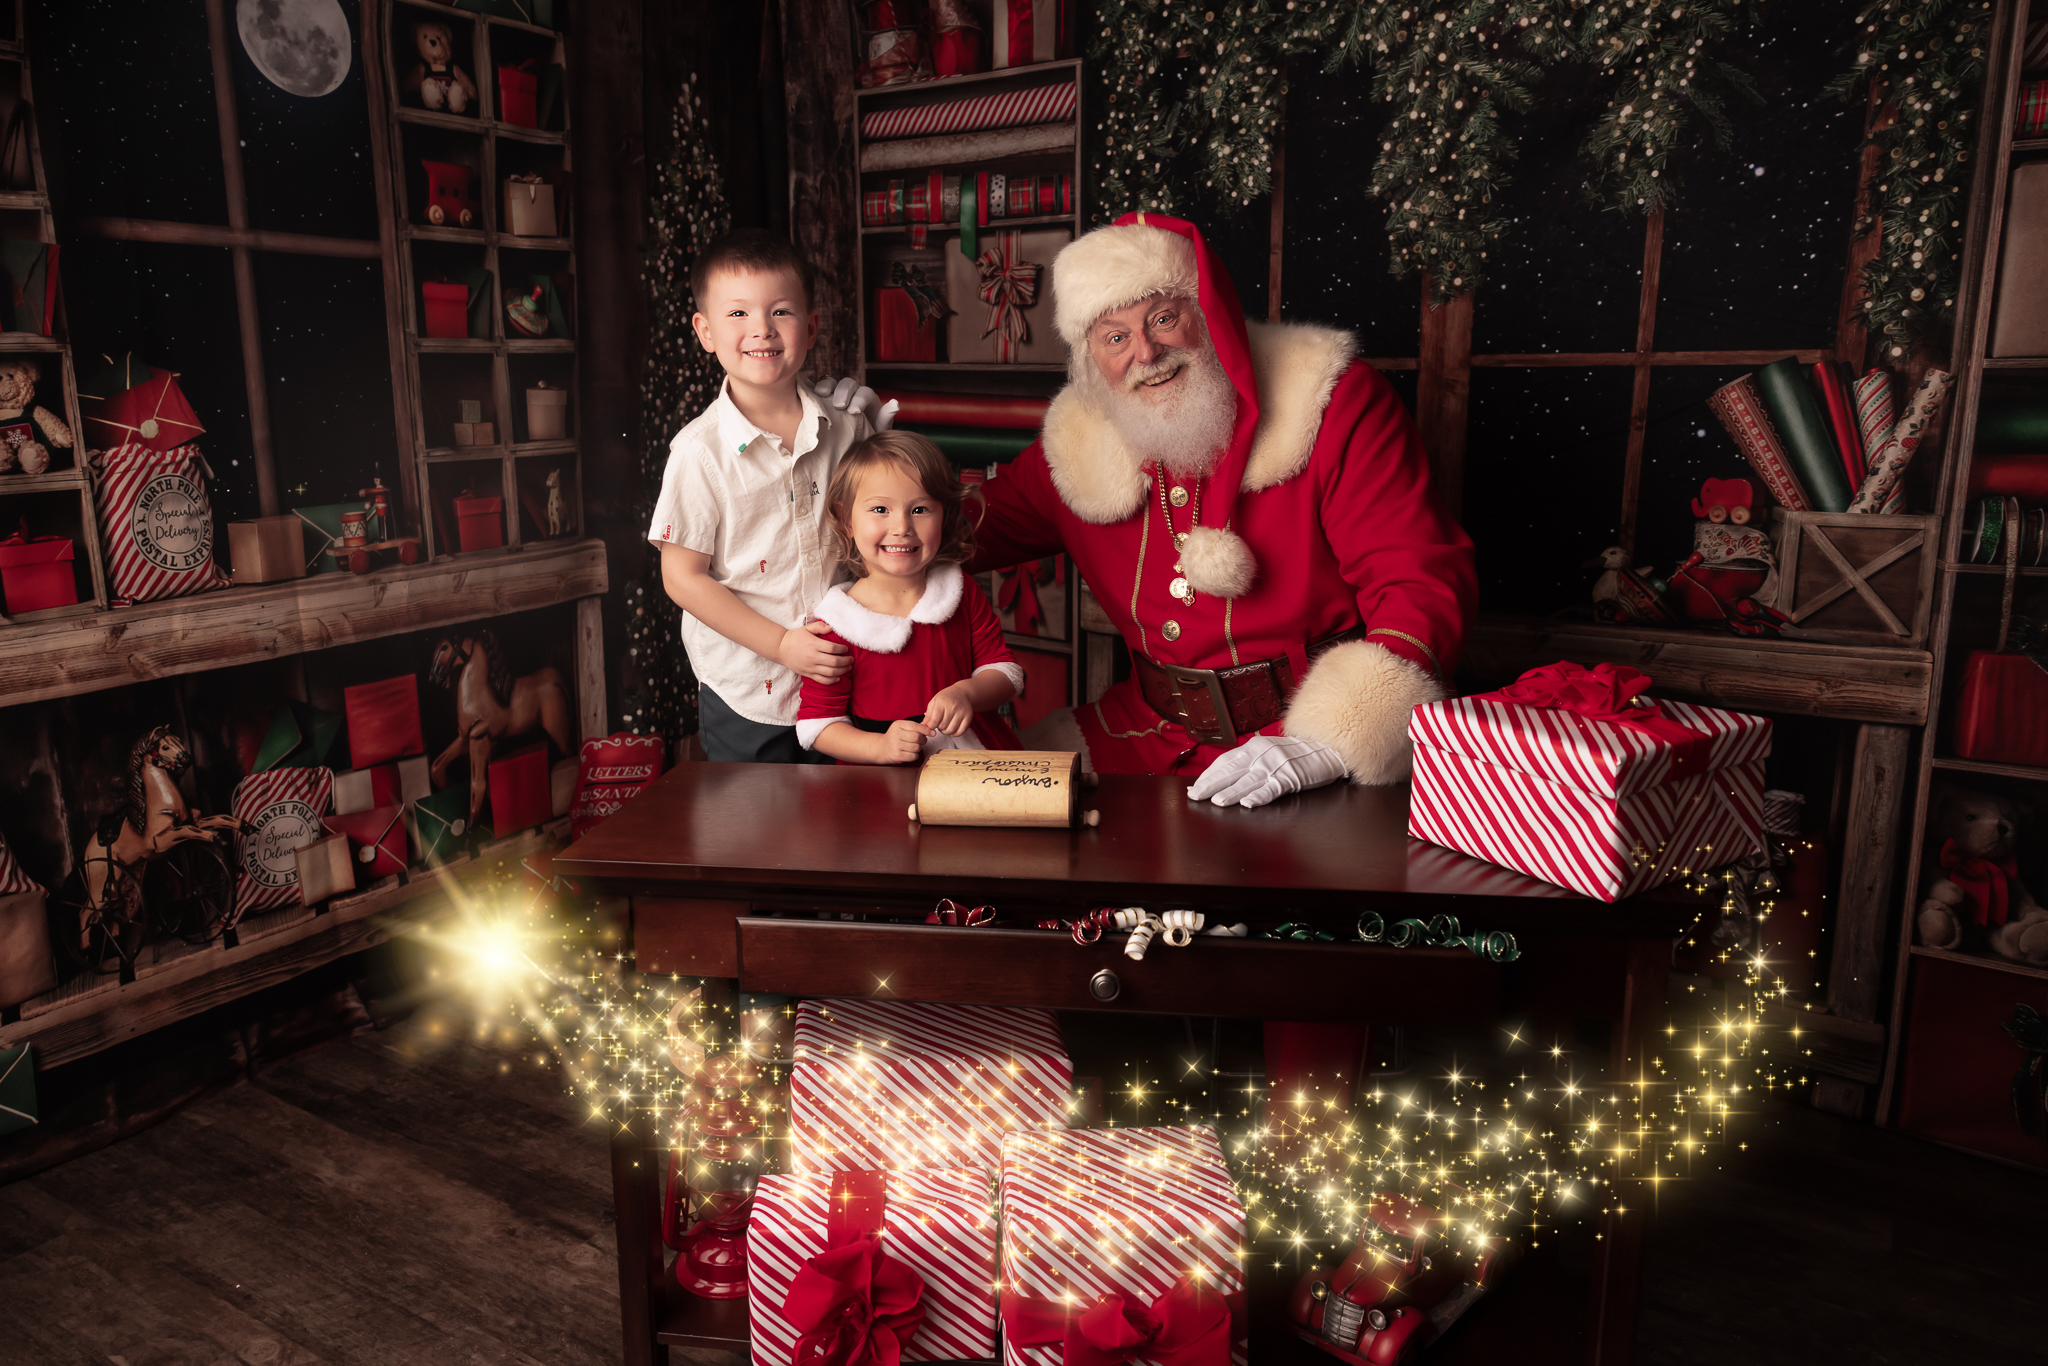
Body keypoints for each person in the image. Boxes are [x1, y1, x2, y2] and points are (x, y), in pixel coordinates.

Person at [963, 212, 1478, 806]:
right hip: (1143, 737)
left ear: (1208, 313)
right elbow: (954, 532)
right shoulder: (1078, 439)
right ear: (1089, 358)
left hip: (1297, 741)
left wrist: (1337, 739)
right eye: (1114, 337)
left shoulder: (1332, 401)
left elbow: (1419, 579)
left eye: (1163, 318)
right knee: (1005, 838)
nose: (1146, 352)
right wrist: (853, 472)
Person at [646, 229, 890, 763]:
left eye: (780, 311)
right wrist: (781, 646)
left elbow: (882, 531)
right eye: (737, 314)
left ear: (812, 325)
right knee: (758, 831)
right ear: (705, 331)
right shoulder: (699, 452)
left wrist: (889, 445)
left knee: (848, 822)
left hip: (843, 676)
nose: (761, 329)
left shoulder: (848, 428)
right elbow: (681, 577)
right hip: (748, 691)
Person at [797, 431, 1023, 763]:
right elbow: (818, 725)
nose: (902, 526)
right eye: (879, 509)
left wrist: (966, 693)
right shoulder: (835, 625)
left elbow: (1006, 672)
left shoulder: (960, 591)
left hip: (976, 766)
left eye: (919, 509)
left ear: (943, 514)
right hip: (880, 785)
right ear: (846, 519)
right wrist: (879, 748)